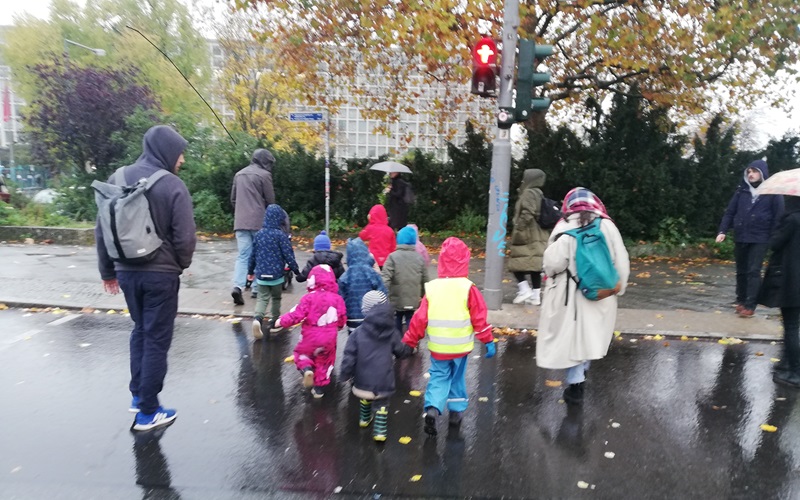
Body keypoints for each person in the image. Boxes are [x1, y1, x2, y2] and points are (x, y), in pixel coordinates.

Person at [96, 125, 197, 431]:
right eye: (179, 152)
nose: (181, 160)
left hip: (126, 273)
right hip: (160, 276)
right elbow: (185, 238)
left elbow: (102, 227)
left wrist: (108, 271)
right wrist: (178, 264)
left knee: (141, 330)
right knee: (155, 339)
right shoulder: (172, 185)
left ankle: (138, 395)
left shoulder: (118, 177)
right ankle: (148, 412)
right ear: (166, 150)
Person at [537, 187, 630, 406]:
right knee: (590, 335)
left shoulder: (563, 225)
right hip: (601, 293)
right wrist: (619, 288)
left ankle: (575, 382)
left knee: (572, 337)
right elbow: (621, 261)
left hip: (567, 294)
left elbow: (552, 263)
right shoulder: (608, 226)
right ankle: (582, 372)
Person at [402, 237, 495, 436]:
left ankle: (433, 409)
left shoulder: (433, 288)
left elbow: (420, 318)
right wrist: (488, 340)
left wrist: (410, 340)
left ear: (442, 261)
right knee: (457, 378)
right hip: (460, 347)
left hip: (438, 347)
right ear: (465, 261)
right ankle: (456, 413)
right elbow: (479, 317)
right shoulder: (468, 288)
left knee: (438, 377)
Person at [340, 290, 413, 441]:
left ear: (365, 311)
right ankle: (379, 432)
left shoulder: (358, 333)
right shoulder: (392, 332)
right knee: (382, 404)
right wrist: (410, 348)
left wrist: (345, 373)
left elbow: (349, 356)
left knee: (365, 397)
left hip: (362, 380)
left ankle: (364, 419)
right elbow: (400, 351)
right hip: (383, 381)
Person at [716, 160, 783, 317]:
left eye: (754, 171)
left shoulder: (773, 193)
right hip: (741, 236)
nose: (751, 174)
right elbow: (730, 212)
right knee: (741, 271)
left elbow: (778, 217)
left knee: (753, 271)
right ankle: (740, 300)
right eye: (749, 172)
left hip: (761, 237)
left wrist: (774, 238)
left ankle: (750, 305)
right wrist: (722, 230)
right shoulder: (742, 191)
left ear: (762, 173)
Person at [274, 264, 347, 398]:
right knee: (325, 361)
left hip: (310, 337)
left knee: (302, 354)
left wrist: (281, 321)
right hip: (329, 339)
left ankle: (306, 369)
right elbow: (342, 317)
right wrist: (340, 326)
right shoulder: (338, 299)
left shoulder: (308, 298)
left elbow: (296, 315)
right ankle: (318, 389)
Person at [758, 196, 800, 387]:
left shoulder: (792, 220)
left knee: (791, 327)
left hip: (792, 281)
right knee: (793, 325)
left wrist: (778, 224)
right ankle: (787, 364)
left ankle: (795, 372)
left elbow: (774, 244)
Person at [231, 149, 276, 305]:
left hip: (240, 222)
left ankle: (238, 286)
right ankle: (257, 288)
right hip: (259, 222)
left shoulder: (239, 174)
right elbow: (270, 201)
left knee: (243, 255)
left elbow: (233, 199)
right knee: (260, 255)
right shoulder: (264, 176)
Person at [249, 204, 301, 339]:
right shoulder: (281, 235)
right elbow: (288, 255)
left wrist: (250, 271)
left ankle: (257, 319)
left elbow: (252, 255)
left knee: (262, 298)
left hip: (261, 275)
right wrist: (296, 271)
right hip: (276, 276)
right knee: (276, 298)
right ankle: (274, 323)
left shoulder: (259, 234)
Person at [508, 169, 551, 306]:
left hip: (528, 234)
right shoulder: (539, 193)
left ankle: (524, 289)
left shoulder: (528, 193)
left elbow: (528, 212)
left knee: (515, 263)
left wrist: (519, 227)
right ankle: (536, 296)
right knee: (535, 266)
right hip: (538, 233)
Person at [382, 226, 429, 333]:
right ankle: (411, 341)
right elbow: (425, 280)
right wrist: (423, 295)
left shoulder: (392, 257)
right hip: (413, 298)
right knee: (410, 318)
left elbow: (386, 278)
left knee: (397, 318)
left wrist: (383, 294)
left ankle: (397, 341)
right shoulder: (419, 258)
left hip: (397, 297)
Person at [339, 238, 388, 333]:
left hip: (352, 318)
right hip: (371, 317)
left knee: (353, 341)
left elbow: (340, 297)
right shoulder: (371, 273)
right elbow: (383, 292)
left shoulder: (346, 276)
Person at [358, 204, 396, 269]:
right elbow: (393, 247)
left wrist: (370, 223)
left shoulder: (370, 228)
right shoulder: (390, 230)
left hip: (373, 259)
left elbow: (361, 236)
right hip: (387, 260)